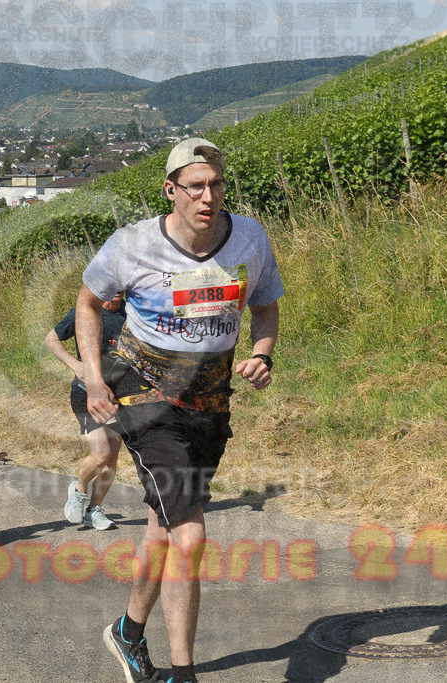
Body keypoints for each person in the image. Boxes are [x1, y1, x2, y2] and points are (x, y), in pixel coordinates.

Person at [78, 138, 283, 683]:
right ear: (172, 191)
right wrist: (95, 377)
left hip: (210, 401)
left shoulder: (250, 237)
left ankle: (127, 630)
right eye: (196, 186)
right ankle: (183, 674)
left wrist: (262, 353)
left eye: (216, 184)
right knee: (190, 535)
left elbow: (264, 305)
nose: (208, 196)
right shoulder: (133, 244)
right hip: (145, 396)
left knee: (164, 530)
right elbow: (88, 303)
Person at [45, 291, 127, 531]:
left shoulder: (133, 313)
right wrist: (76, 364)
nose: (117, 291)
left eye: (121, 286)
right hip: (86, 394)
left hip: (121, 396)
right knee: (101, 453)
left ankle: (95, 510)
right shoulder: (84, 311)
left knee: (111, 459)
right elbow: (51, 339)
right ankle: (79, 490)